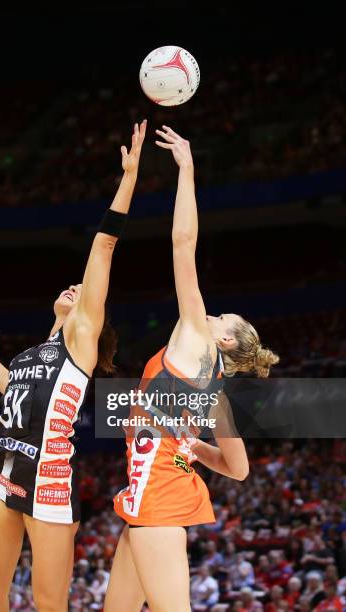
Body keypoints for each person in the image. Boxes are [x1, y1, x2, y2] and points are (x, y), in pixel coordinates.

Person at [0, 120, 147, 612]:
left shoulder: (80, 335)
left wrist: (128, 179)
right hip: (2, 462)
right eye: (67, 288)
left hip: (47, 472)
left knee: (49, 602)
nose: (72, 289)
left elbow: (103, 246)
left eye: (78, 290)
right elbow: (19, 396)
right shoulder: (32, 353)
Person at [104, 126, 279, 612]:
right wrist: (191, 445)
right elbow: (239, 470)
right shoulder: (216, 392)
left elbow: (183, 243)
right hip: (149, 502)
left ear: (224, 339)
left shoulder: (196, 339)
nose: (214, 313)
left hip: (160, 503)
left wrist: (187, 169)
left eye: (224, 318)